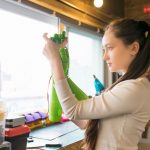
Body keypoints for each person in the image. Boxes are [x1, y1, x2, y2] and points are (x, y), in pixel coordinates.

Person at [42, 18, 150, 150]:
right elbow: (85, 123)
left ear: (133, 48)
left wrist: (55, 61)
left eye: (109, 48)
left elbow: (73, 110)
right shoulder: (128, 85)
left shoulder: (135, 89)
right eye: (104, 50)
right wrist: (58, 68)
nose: (104, 57)